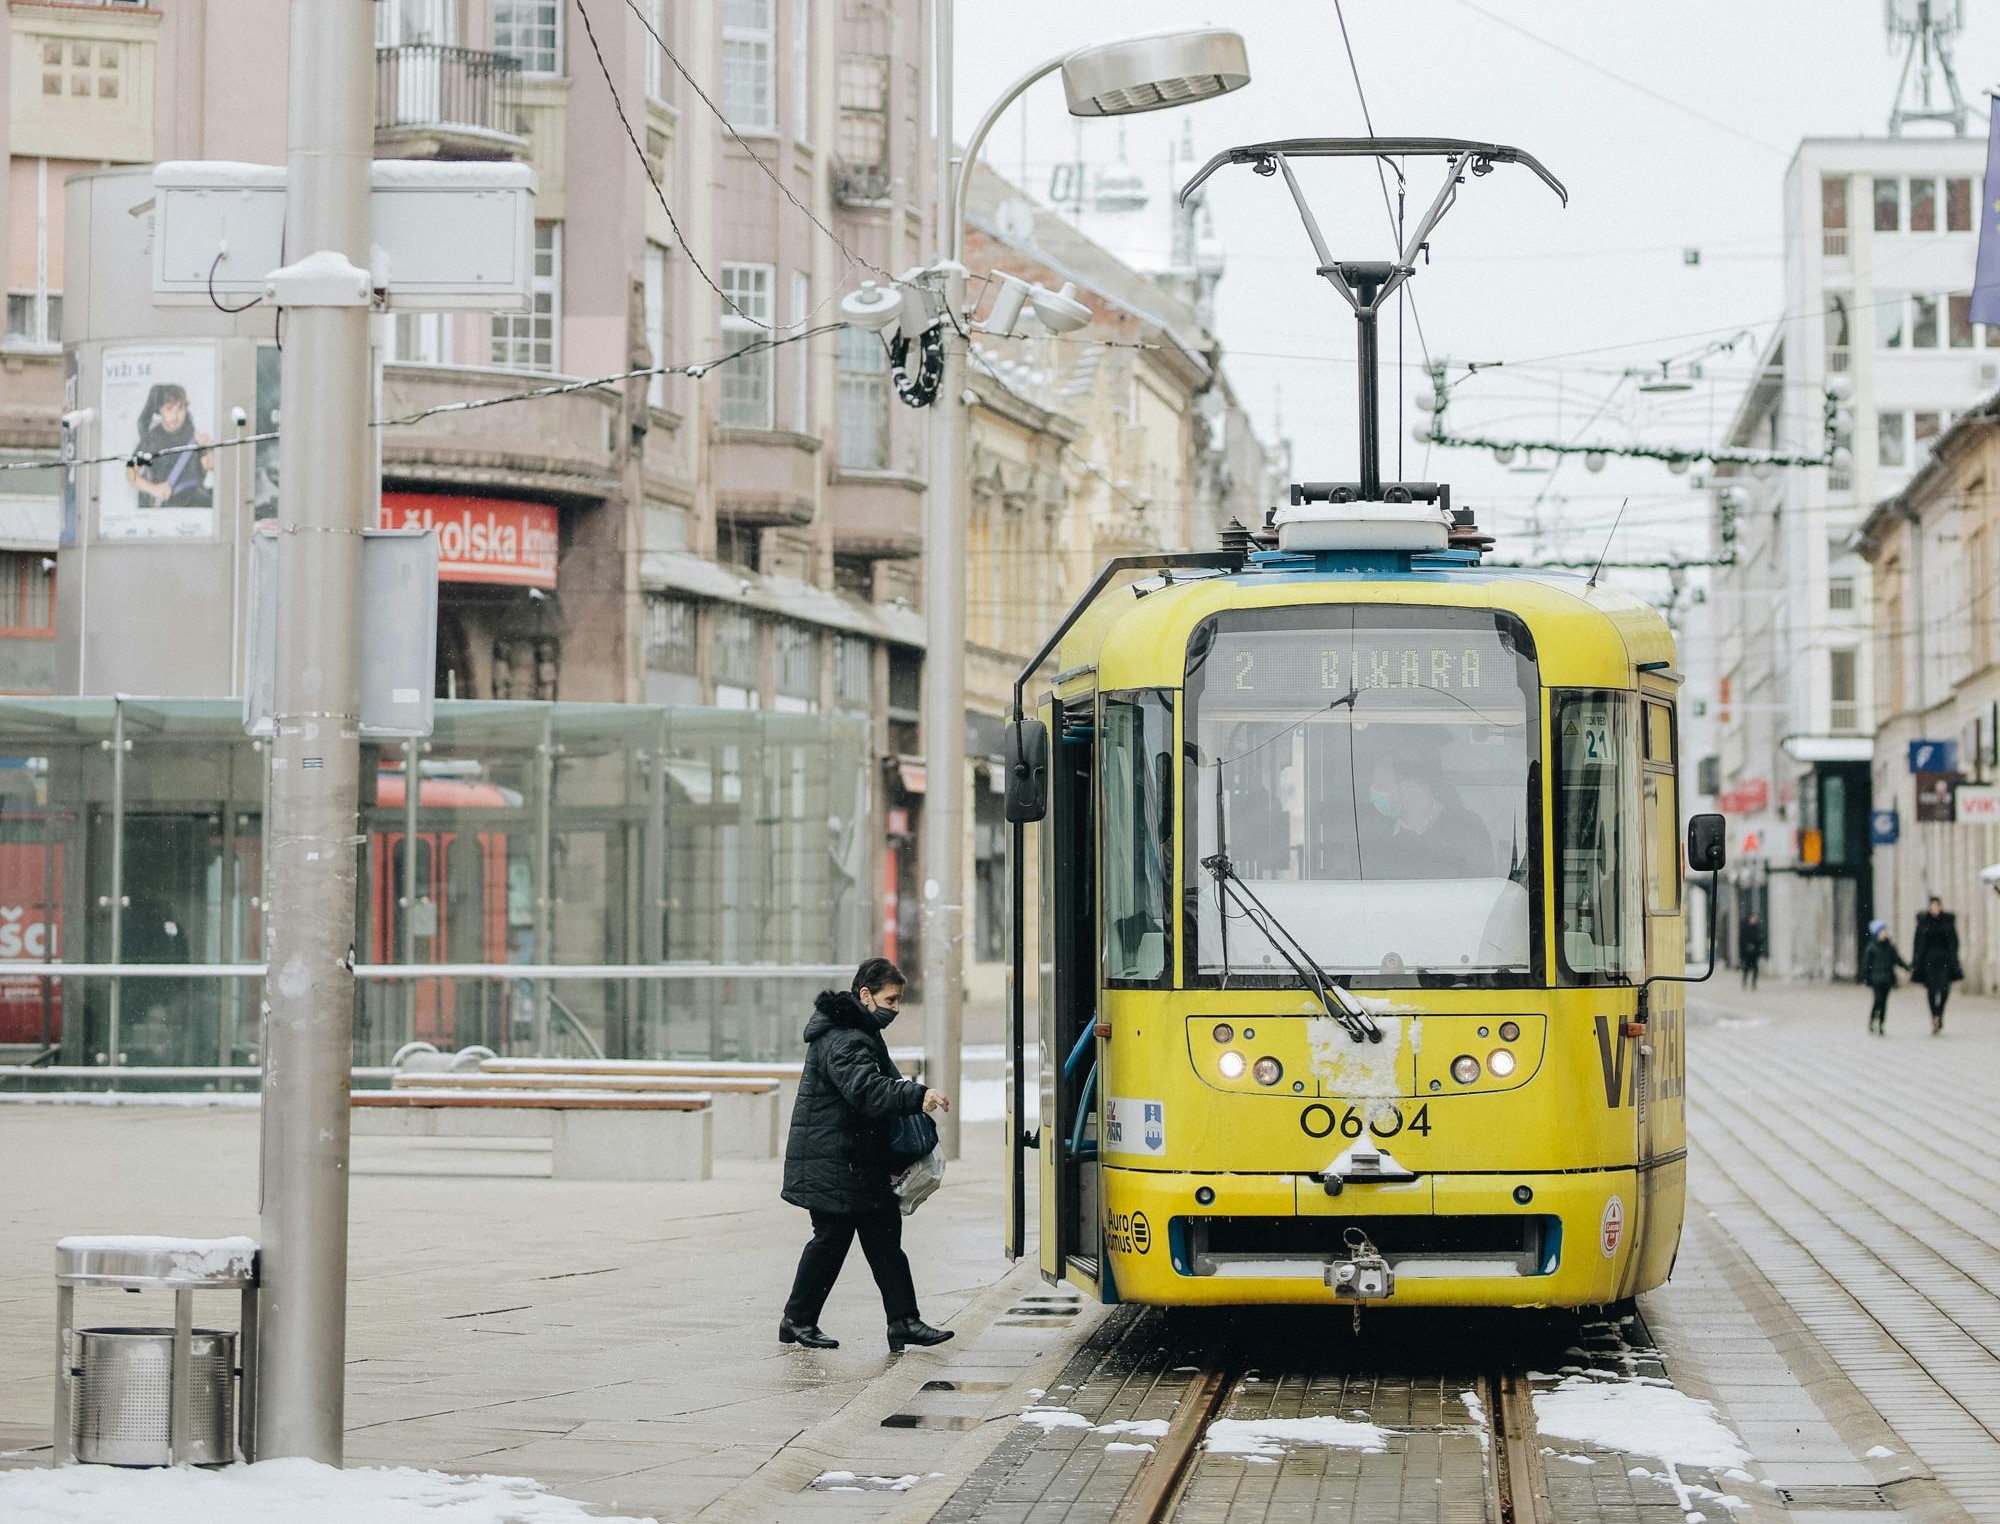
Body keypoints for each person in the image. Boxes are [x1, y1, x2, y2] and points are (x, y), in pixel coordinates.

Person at [780, 957, 953, 1353]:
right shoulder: (845, 1037)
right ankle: (797, 1319)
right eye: (890, 1000)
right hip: (834, 1159)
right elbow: (867, 1090)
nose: (895, 1008)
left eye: (898, 1001)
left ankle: (903, 1321)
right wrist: (917, 1094)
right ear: (865, 995)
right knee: (830, 1241)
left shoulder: (856, 1030)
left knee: (883, 1238)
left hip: (854, 1159)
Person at [1368, 753, 1494, 879]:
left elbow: (1482, 885)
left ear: (1406, 788)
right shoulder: (1373, 834)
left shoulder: (1468, 827)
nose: (1372, 792)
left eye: (1381, 786)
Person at [125, 384, 214, 509]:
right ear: (160, 410)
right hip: (167, 505)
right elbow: (130, 472)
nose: (175, 415)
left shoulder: (193, 434)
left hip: (195, 502)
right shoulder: (152, 439)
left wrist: (207, 447)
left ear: (186, 408)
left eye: (180, 408)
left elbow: (209, 465)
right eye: (169, 409)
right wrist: (153, 489)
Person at [1910, 895, 1963, 1035]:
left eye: (1937, 905)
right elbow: (1918, 943)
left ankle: (1940, 1013)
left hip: (1944, 961)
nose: (1935, 908)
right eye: (1932, 906)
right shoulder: (1923, 923)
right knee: (1932, 990)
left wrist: (1954, 959)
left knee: (1945, 989)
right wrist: (1916, 960)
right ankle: (1934, 1016)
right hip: (1928, 961)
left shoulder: (1947, 922)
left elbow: (1954, 942)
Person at [1860, 920, 1908, 1035]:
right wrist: (1866, 978)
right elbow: (1866, 964)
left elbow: (1897, 959)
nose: (1884, 933)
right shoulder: (1871, 948)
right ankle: (1872, 1020)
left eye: (1884, 931)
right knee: (1878, 1000)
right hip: (1876, 978)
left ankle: (1881, 1023)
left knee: (1884, 1002)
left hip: (1887, 977)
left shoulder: (1889, 947)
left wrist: (1907, 967)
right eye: (1881, 931)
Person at [1739, 910, 1765, 991]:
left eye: (1755, 918)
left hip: (1755, 952)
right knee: (1746, 968)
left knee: (1755, 969)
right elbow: (1742, 940)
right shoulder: (1746, 927)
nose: (1754, 919)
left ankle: (1753, 983)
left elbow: (1760, 939)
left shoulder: (1757, 927)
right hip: (1747, 953)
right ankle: (1745, 982)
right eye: (1753, 918)